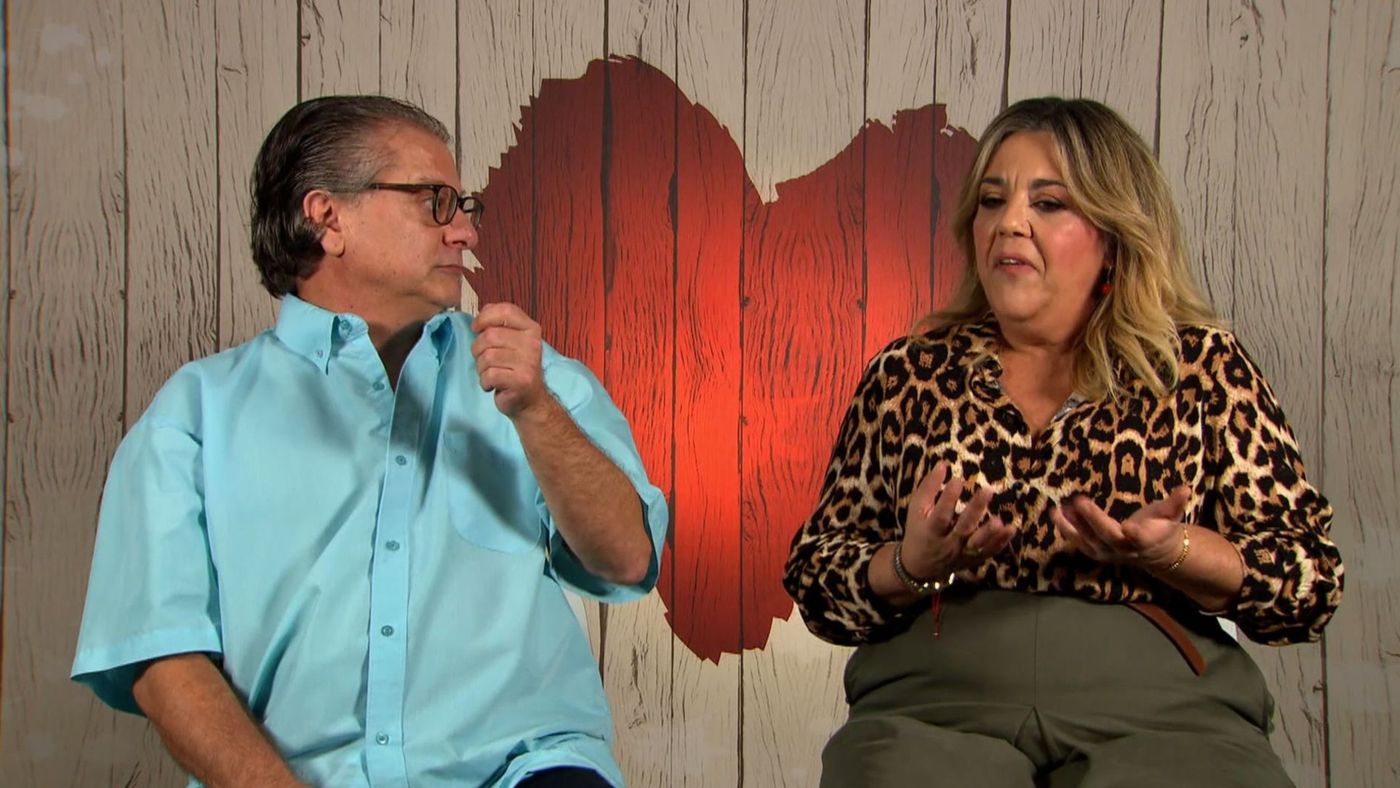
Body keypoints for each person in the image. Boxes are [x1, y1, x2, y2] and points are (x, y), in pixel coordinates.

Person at [71, 95, 669, 788]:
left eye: (464, 206)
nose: (465, 232)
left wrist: (535, 413)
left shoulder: (537, 381)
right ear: (327, 218)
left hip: (526, 770)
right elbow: (161, 658)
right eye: (435, 202)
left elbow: (628, 562)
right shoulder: (193, 416)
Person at [784, 97, 1343, 787]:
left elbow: (1308, 585)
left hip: (1163, 715)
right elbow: (817, 580)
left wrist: (1176, 552)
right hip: (935, 707)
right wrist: (908, 563)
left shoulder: (1200, 368)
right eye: (992, 201)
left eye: (1049, 204)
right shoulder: (910, 373)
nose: (1009, 222)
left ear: (1114, 232)